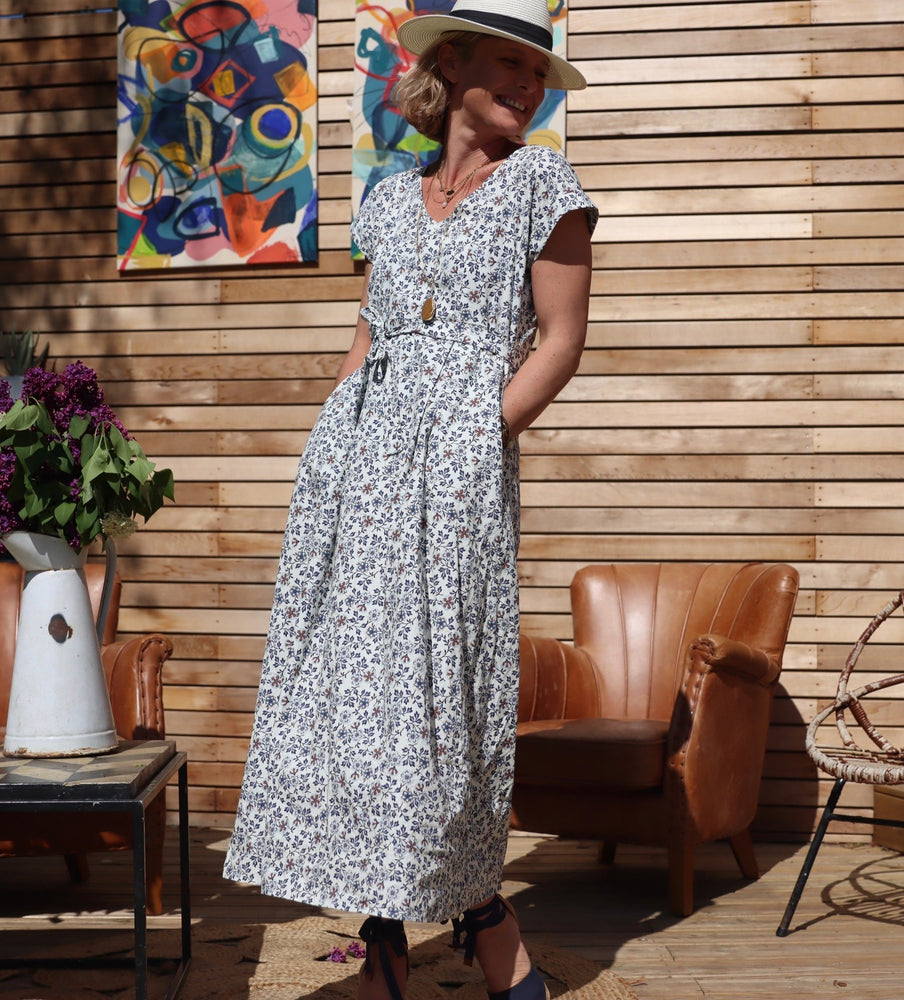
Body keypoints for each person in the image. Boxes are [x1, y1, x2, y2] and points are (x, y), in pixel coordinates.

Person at [224, 0, 597, 996]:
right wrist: (331, 445)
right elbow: (368, 336)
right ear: (455, 67)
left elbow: (560, 342)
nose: (527, 86)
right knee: (357, 691)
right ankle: (384, 927)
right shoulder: (388, 200)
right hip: (359, 465)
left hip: (458, 470)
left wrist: (477, 437)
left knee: (444, 697)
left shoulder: (544, 186)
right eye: (510, 65)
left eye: (537, 73)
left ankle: (478, 908)